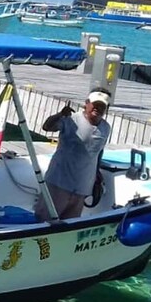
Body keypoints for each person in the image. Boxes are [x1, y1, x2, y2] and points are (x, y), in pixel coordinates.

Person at [34, 90, 112, 221]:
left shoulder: (106, 128)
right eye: (95, 104)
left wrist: (97, 175)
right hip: (58, 183)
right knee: (44, 221)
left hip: (82, 187)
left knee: (70, 225)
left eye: (102, 106)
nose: (97, 109)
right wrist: (59, 115)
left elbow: (98, 152)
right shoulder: (71, 120)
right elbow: (47, 127)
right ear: (86, 104)